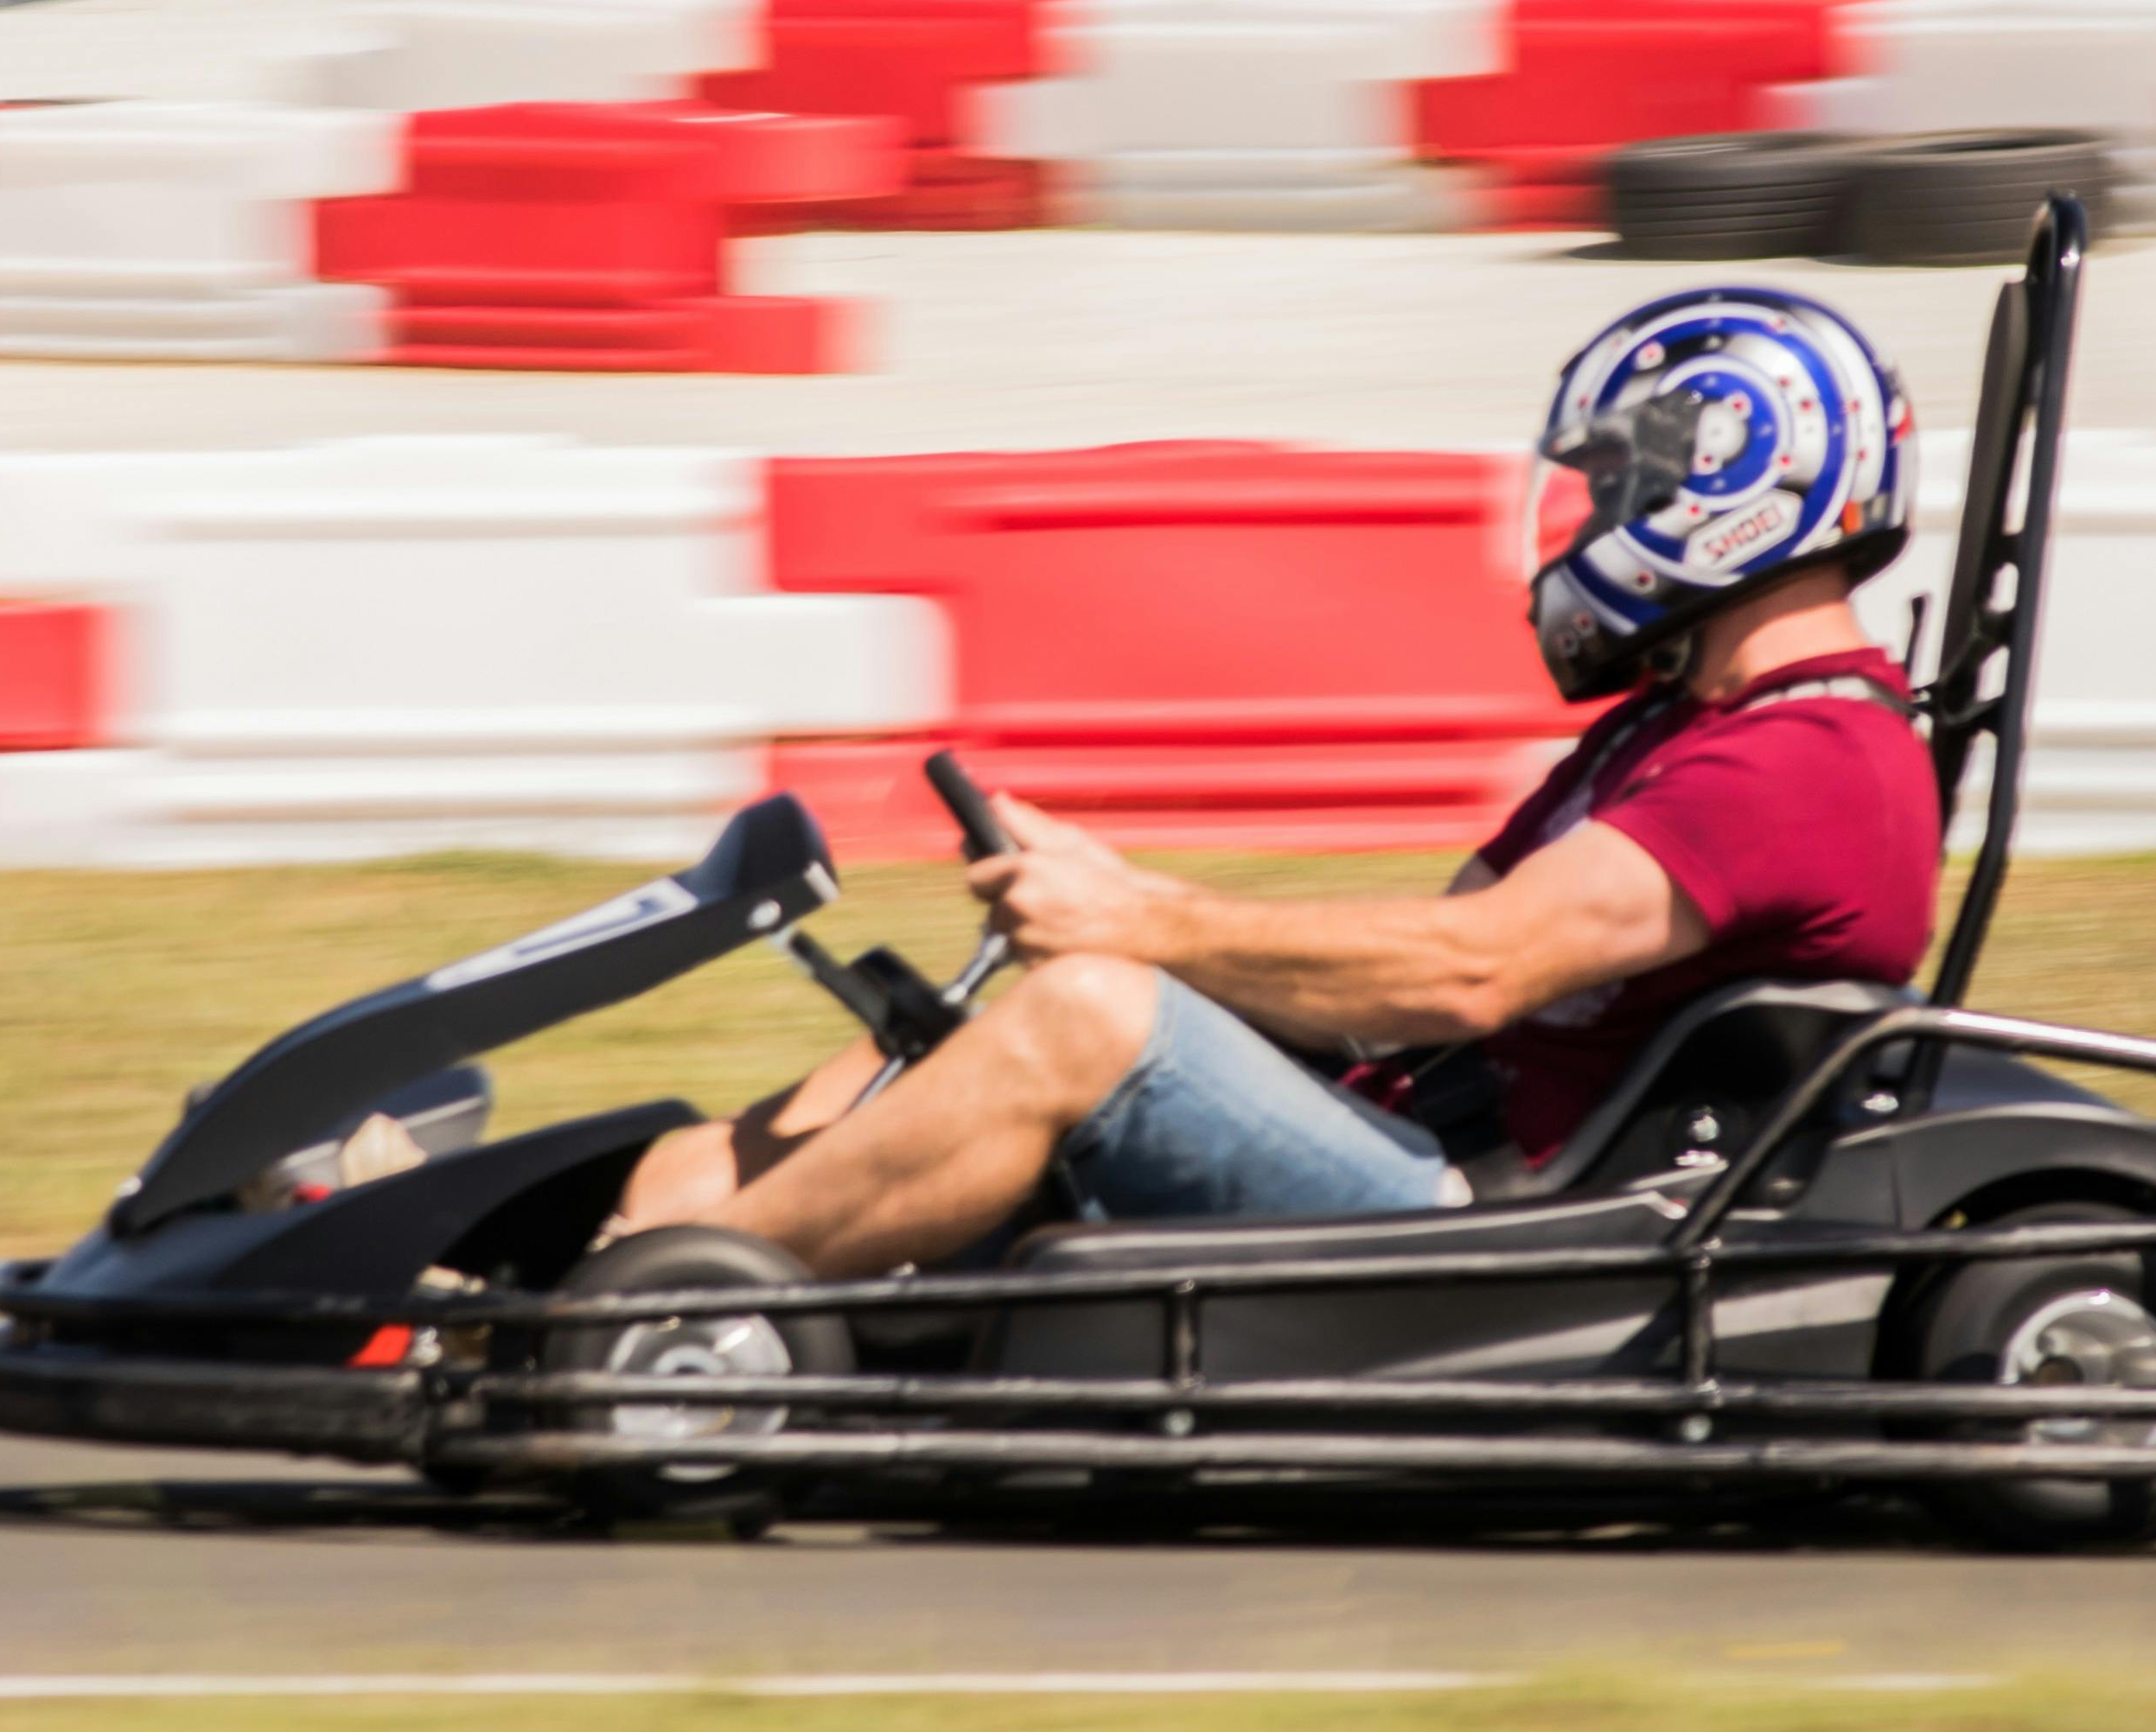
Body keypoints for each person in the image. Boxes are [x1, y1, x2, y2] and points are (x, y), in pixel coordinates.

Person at [618, 288, 1942, 1275]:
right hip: (1419, 1120)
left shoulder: (1809, 764)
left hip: (1502, 1228)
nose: (1587, 521)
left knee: (1091, 1014)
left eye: (1614, 487)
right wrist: (1117, 900)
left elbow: (1470, 970)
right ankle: (605, 1246)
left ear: (1731, 486)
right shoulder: (1671, 728)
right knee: (944, 1038)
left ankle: (663, 1323)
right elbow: (1403, 974)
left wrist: (1132, 929)